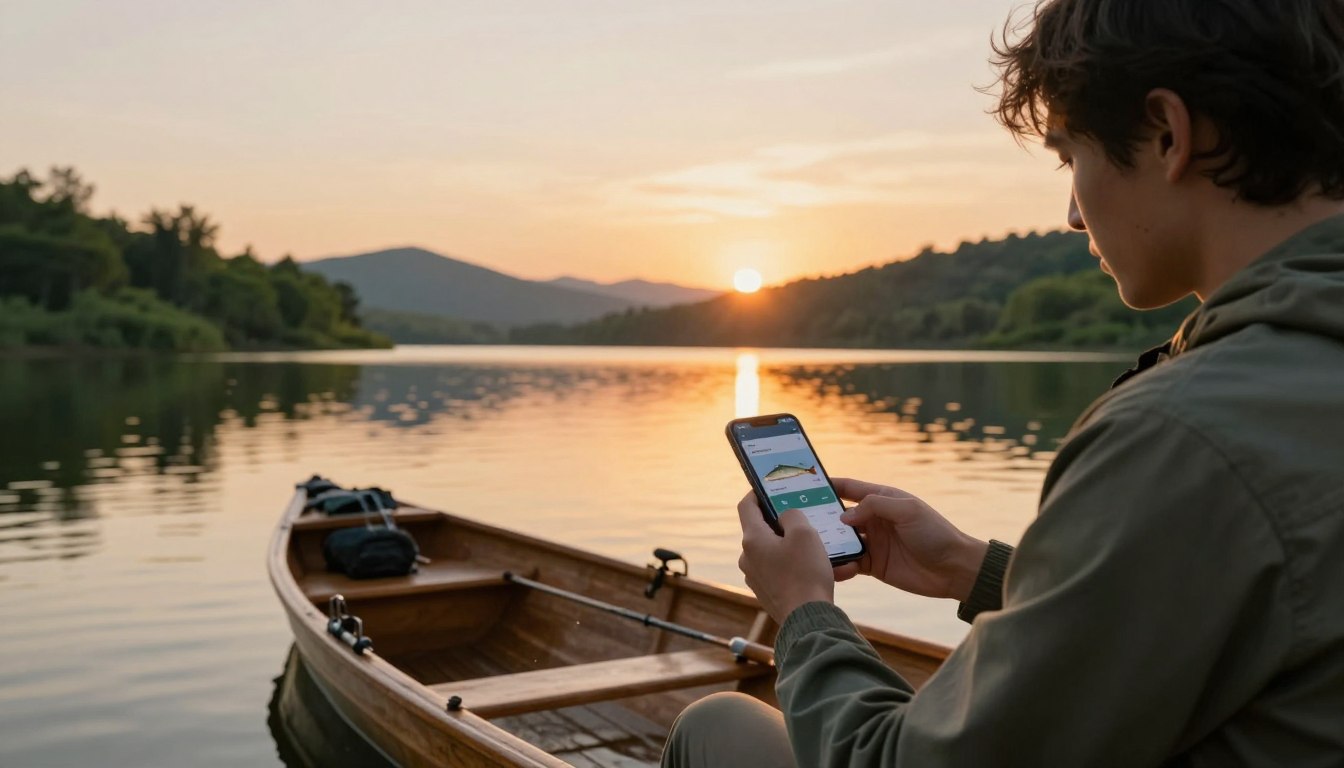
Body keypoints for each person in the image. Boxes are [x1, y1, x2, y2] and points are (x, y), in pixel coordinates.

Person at [661, 0, 1344, 765]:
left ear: (1168, 134)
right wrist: (971, 568)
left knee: (715, 727)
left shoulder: (1184, 436)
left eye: (1069, 157)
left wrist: (803, 612)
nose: (1072, 215)